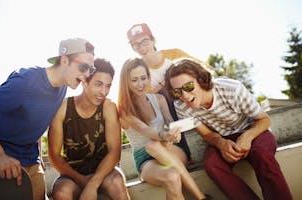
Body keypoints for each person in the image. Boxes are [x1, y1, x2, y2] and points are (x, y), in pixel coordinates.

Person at [0, 37, 96, 200]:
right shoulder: (25, 82)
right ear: (64, 60)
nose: (87, 75)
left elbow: (36, 120)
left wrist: (38, 156)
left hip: (29, 158)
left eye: (90, 70)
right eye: (84, 67)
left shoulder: (63, 87)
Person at [164, 59, 293, 200]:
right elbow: (206, 134)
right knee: (212, 164)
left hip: (253, 130)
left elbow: (264, 120)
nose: (185, 96)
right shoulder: (180, 105)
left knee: (261, 154)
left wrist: (247, 137)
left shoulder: (232, 89)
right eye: (177, 91)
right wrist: (221, 143)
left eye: (189, 86)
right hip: (222, 138)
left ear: (200, 79)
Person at [118, 58, 209, 200]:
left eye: (143, 78)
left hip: (171, 150)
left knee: (154, 145)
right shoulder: (124, 110)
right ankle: (201, 197)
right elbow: (145, 130)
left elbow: (170, 123)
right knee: (171, 175)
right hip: (146, 160)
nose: (140, 84)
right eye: (134, 80)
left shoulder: (159, 99)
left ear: (149, 77)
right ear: (126, 82)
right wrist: (164, 136)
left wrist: (173, 134)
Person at [126, 23, 213, 162]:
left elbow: (203, 70)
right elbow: (146, 98)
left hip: (190, 98)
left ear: (153, 40)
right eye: (136, 45)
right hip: (167, 108)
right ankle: (182, 152)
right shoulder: (141, 71)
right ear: (133, 48)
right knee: (163, 95)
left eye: (145, 41)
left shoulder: (173, 54)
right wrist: (164, 83)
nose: (142, 47)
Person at [48, 58, 130, 200]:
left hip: (104, 171)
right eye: (98, 84)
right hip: (72, 174)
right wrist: (82, 181)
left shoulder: (108, 107)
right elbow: (54, 155)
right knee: (62, 192)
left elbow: (115, 151)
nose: (103, 92)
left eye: (108, 86)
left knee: (116, 182)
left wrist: (92, 184)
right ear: (85, 82)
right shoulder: (62, 108)